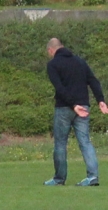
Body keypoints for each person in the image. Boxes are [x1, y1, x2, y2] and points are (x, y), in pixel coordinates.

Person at [45, 37, 108, 187]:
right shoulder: (80, 61)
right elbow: (93, 80)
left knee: (60, 143)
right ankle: (92, 177)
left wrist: (73, 105)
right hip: (84, 107)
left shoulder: (53, 64)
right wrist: (101, 100)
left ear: (51, 50)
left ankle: (59, 178)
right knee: (85, 142)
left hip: (64, 108)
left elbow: (59, 88)